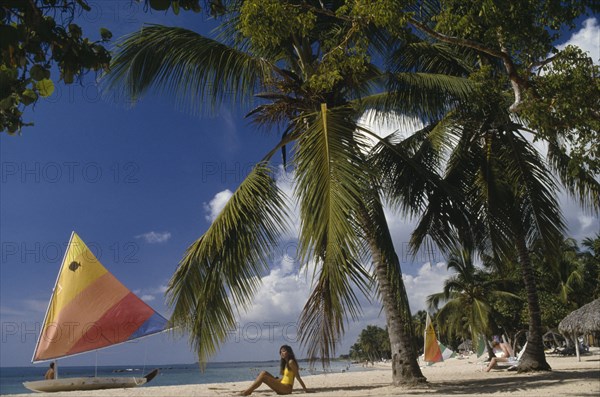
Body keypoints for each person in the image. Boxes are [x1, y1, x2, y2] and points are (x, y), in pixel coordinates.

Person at [241, 345, 309, 395]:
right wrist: (275, 380)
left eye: (284, 351)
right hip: (281, 385)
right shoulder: (286, 363)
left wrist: (306, 390)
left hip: (286, 389)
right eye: (281, 352)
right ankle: (249, 390)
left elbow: (298, 377)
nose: (282, 353)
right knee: (263, 373)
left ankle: (247, 392)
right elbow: (284, 378)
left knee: (263, 377)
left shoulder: (291, 362)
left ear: (288, 352)